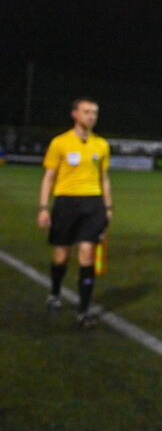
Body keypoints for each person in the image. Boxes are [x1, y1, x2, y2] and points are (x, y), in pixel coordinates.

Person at [37, 98, 112, 329]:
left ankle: (83, 310)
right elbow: (49, 176)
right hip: (66, 204)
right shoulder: (59, 143)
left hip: (93, 203)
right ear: (75, 114)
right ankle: (55, 292)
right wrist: (43, 208)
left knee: (87, 253)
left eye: (95, 112)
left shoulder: (102, 145)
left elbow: (104, 178)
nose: (91, 116)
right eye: (87, 111)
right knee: (62, 255)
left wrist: (108, 207)